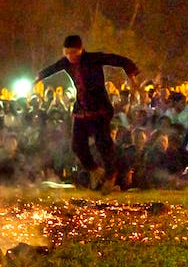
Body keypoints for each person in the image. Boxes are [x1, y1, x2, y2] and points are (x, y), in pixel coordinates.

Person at [35, 34, 141, 190]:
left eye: (74, 53)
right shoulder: (65, 62)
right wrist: (37, 78)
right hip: (81, 110)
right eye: (67, 53)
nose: (71, 57)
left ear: (81, 50)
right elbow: (51, 69)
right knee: (77, 145)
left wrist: (132, 76)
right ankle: (95, 170)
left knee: (102, 143)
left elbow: (118, 60)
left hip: (99, 109)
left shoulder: (94, 58)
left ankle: (111, 175)